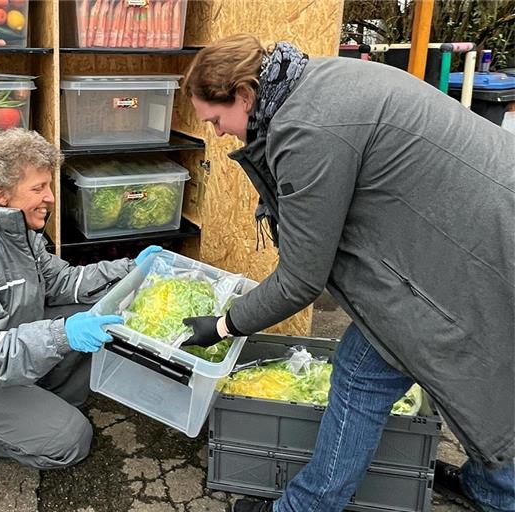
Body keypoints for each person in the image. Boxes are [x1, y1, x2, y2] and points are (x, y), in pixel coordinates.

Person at [180, 34, 514, 512]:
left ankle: (307, 507)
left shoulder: (306, 131)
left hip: (480, 247)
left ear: (246, 96)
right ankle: (495, 487)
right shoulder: (312, 78)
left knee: (365, 372)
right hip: (478, 226)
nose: (217, 132)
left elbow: (301, 280)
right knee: (483, 367)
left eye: (216, 120)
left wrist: (223, 325)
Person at [0, 128, 161, 471]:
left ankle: (31, 410)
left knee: (95, 312)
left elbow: (62, 282)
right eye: (38, 188)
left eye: (48, 185)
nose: (51, 197)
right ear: (1, 195)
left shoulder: (17, 232)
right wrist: (62, 334)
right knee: (71, 441)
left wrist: (128, 270)